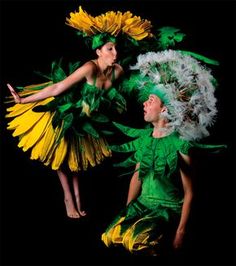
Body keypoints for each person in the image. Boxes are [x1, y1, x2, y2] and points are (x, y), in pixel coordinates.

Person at [5, 6, 153, 219]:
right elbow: (57, 88)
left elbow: (123, 92)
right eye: (109, 49)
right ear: (98, 51)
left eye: (116, 48)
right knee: (60, 155)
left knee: (73, 157)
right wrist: (22, 99)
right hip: (64, 110)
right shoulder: (89, 68)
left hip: (86, 118)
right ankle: (68, 198)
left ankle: (76, 197)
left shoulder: (118, 71)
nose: (115, 53)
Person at [101, 50, 226, 255]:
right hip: (142, 204)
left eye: (150, 101)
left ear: (165, 109)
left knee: (137, 242)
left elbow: (190, 192)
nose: (144, 104)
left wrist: (181, 232)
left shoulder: (180, 145)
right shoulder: (145, 139)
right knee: (111, 236)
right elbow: (136, 177)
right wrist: (128, 211)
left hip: (166, 210)